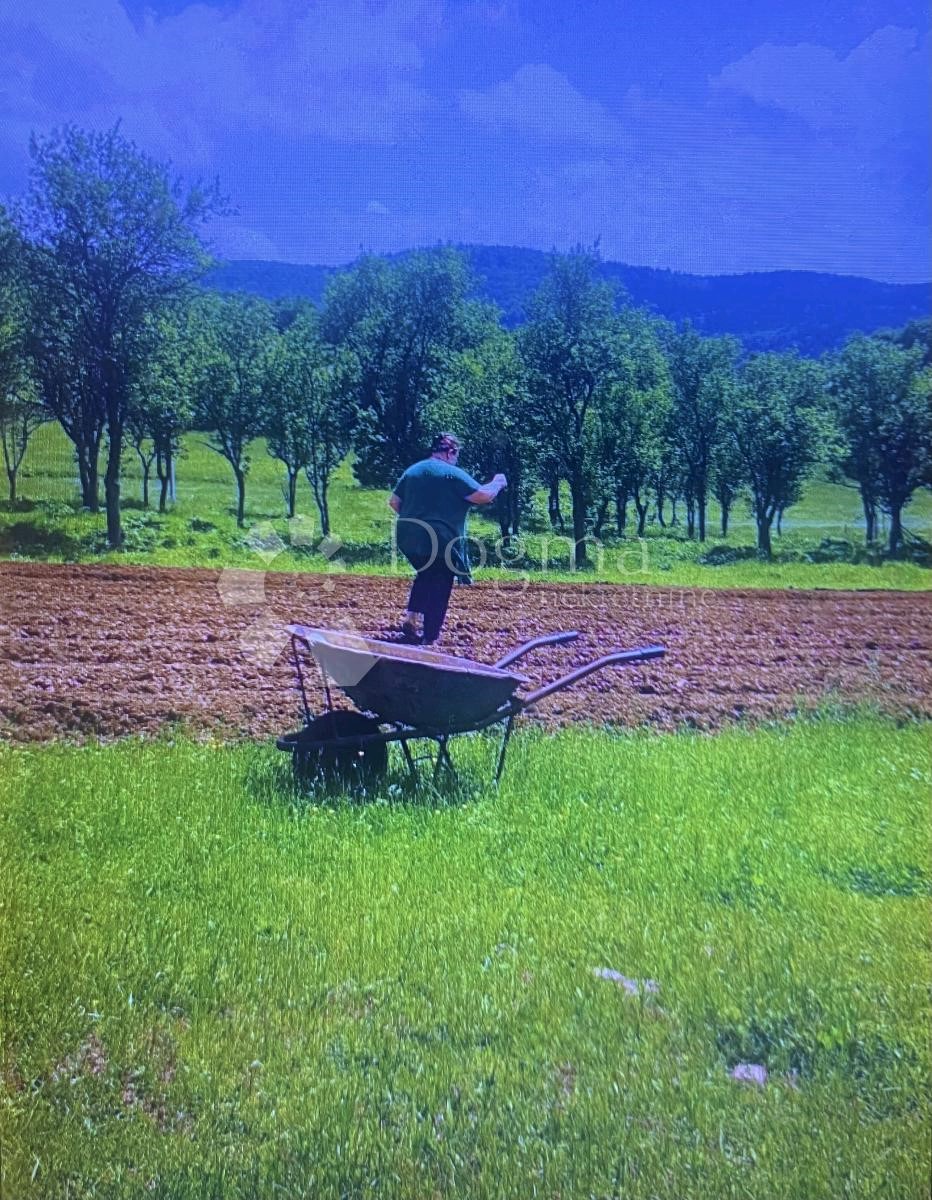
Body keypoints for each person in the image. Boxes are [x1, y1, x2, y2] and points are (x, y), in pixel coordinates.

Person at [388, 433, 507, 644]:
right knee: (442, 581)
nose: (456, 459)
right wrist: (497, 483)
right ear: (451, 452)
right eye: (456, 454)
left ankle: (412, 618)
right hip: (440, 538)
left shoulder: (413, 471)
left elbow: (394, 503)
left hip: (408, 536)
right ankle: (429, 637)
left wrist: (416, 516)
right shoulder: (451, 474)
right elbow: (482, 495)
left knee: (426, 572)